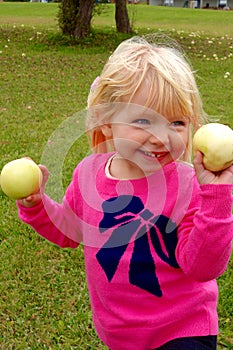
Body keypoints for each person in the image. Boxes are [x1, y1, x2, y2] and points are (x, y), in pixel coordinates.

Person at [17, 36, 233, 350]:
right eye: (143, 121)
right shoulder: (89, 173)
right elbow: (69, 230)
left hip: (182, 330)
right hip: (121, 334)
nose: (161, 137)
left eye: (176, 122)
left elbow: (203, 267)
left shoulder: (188, 184)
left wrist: (216, 198)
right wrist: (37, 205)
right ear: (107, 123)